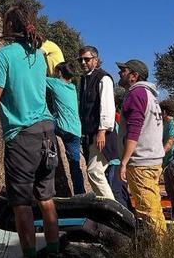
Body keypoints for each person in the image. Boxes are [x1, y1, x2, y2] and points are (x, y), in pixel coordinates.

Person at [0, 4, 60, 258]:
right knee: (46, 197)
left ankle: (29, 255)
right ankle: (54, 252)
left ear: (10, 26)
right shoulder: (38, 56)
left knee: (21, 203)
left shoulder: (4, 55)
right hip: (47, 132)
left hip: (22, 136)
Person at [116, 59, 166, 239]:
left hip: (141, 162)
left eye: (123, 70)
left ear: (133, 76)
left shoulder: (136, 93)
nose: (120, 73)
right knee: (153, 208)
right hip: (151, 159)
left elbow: (134, 130)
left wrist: (123, 162)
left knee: (149, 212)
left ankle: (161, 251)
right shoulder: (150, 95)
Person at [77, 46, 116, 200]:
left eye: (87, 59)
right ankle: (105, 211)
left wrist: (102, 131)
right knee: (93, 173)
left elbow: (107, 106)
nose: (83, 62)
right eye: (80, 59)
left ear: (96, 60)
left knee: (95, 172)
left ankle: (114, 211)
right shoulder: (84, 79)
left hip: (103, 134)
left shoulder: (103, 78)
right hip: (90, 135)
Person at [47, 62, 85, 195]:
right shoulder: (73, 88)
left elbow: (37, 79)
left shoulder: (56, 83)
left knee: (41, 121)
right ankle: (80, 194)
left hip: (62, 126)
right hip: (76, 130)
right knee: (75, 165)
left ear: (59, 73)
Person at [105, 87, 132, 209]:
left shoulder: (114, 121)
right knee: (121, 192)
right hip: (117, 161)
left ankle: (126, 219)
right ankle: (131, 217)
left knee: (116, 191)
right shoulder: (117, 123)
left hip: (115, 161)